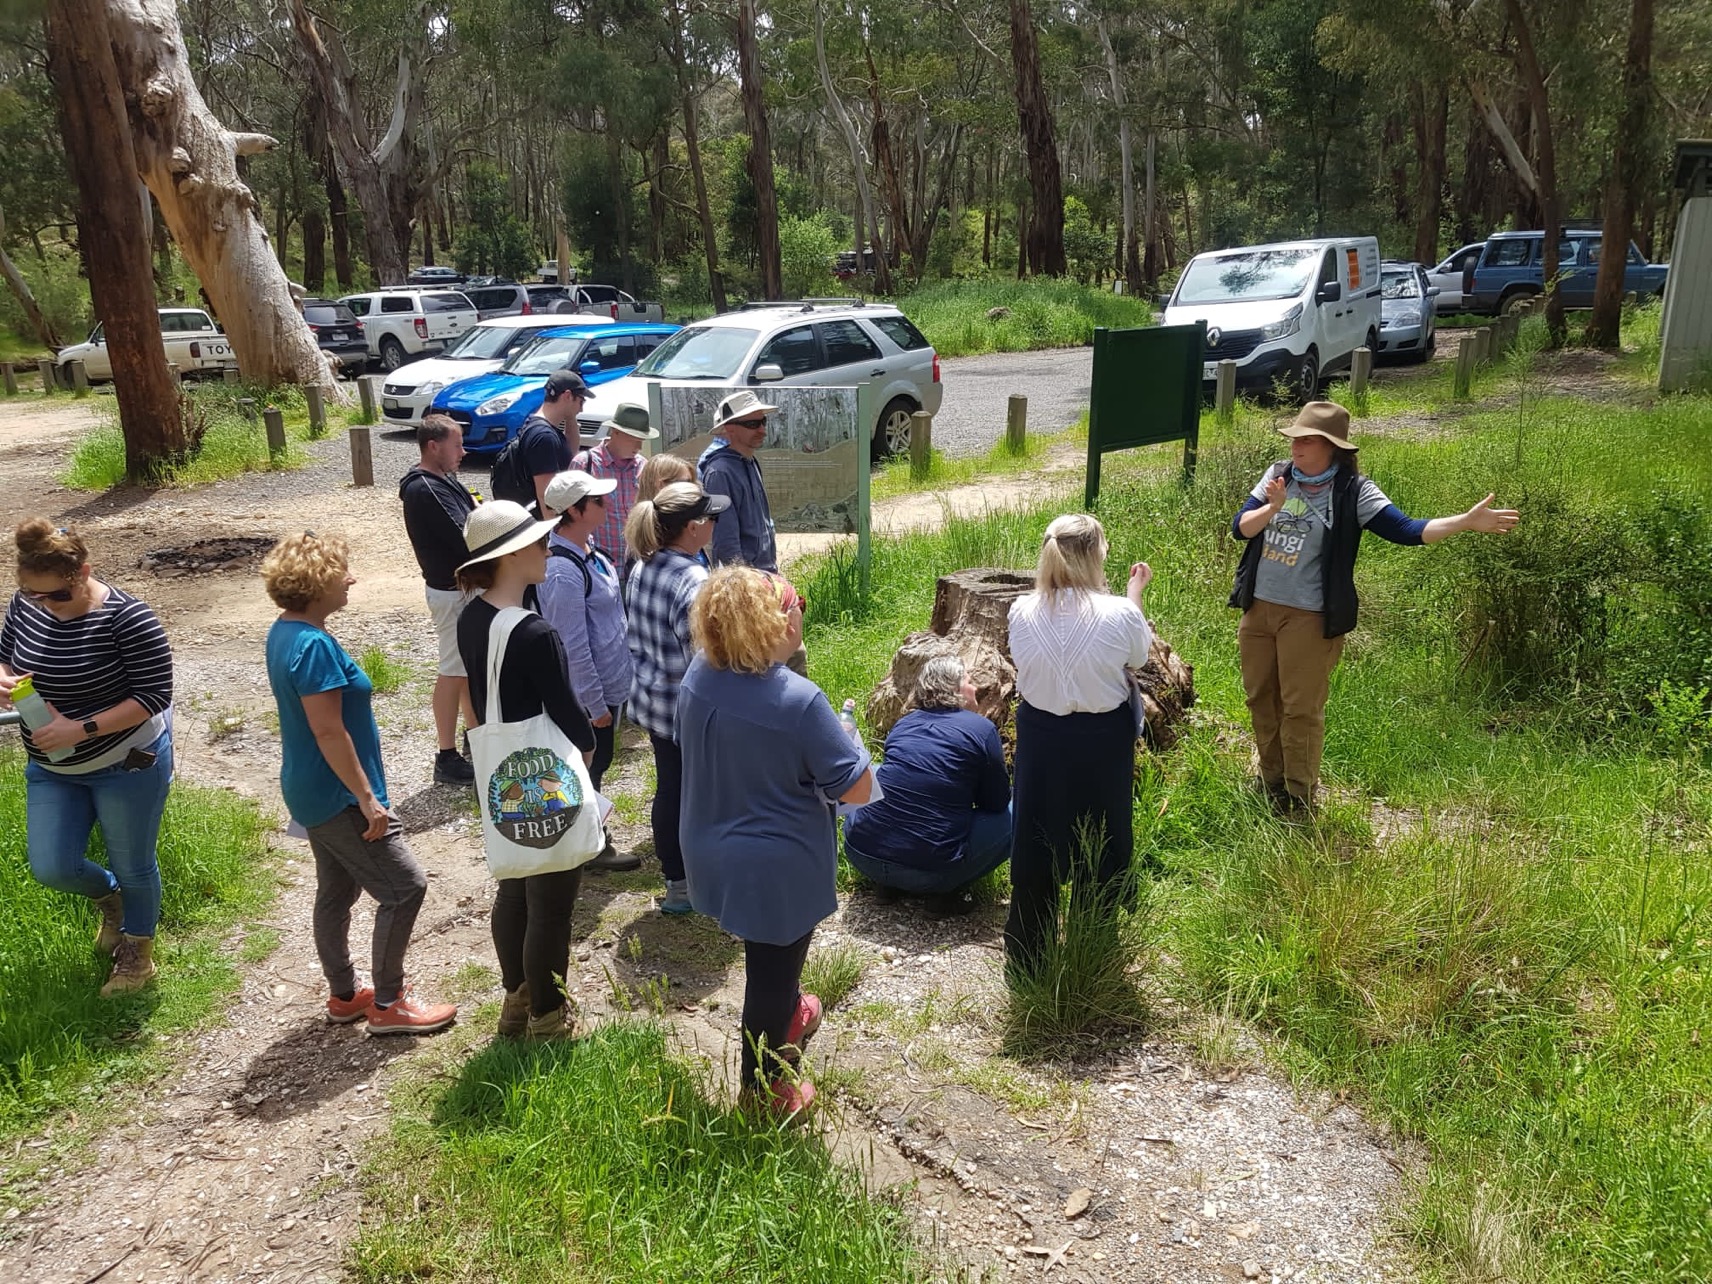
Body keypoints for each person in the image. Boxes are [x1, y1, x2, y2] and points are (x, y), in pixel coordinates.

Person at [1231, 401, 1519, 809]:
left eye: (1308, 439)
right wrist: (1273, 507)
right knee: (1261, 698)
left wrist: (1464, 522)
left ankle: (1298, 797)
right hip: (1258, 609)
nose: (1297, 445)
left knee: (1300, 710)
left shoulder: (1354, 491)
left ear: (1333, 447)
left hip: (1310, 617)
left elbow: (1405, 530)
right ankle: (1270, 781)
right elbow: (1240, 529)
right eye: (1295, 437)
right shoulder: (1277, 476)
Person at [678, 568, 873, 1116]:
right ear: (780, 621)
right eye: (798, 604)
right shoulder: (799, 700)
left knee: (775, 963)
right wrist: (848, 743)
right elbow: (856, 787)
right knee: (769, 972)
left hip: (706, 842)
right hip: (773, 866)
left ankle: (792, 1011)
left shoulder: (699, 672)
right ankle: (764, 1094)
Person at [262, 532, 458, 1034]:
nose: (352, 579)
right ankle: (390, 1004)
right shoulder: (313, 646)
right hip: (338, 793)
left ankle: (344, 995)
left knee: (336, 889)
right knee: (404, 888)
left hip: (307, 789)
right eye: (341, 572)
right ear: (317, 582)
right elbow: (329, 730)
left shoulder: (285, 632)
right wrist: (367, 799)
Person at [0, 519, 174, 997]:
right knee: (51, 866)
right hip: (52, 767)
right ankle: (111, 900)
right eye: (33, 595)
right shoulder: (27, 604)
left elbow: (153, 695)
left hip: (125, 762)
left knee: (135, 863)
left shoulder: (129, 617)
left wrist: (79, 728)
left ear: (83, 572)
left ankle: (138, 956)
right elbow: (5, 656)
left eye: (57, 596)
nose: (45, 607)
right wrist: (4, 680)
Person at [456, 500, 599, 1039]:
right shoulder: (535, 633)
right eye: (540, 542)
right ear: (512, 554)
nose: (547, 549)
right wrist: (586, 751)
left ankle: (515, 998)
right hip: (543, 772)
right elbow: (567, 711)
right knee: (552, 903)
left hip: (500, 773)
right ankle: (548, 1014)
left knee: (514, 885)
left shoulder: (472, 616)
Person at [1005, 514, 1153, 977]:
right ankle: (1095, 938)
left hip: (1041, 734)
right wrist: (1133, 597)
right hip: (1101, 737)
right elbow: (1140, 656)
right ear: (1093, 556)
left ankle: (1028, 950)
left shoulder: (1020, 608)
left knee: (1035, 834)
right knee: (1103, 830)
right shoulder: (1120, 611)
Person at [624, 481, 729, 915]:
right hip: (689, 714)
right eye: (711, 518)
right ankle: (698, 883)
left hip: (653, 703)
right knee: (702, 799)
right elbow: (702, 661)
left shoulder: (642, 565)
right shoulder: (693, 581)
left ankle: (676, 884)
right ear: (692, 528)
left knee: (670, 790)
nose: (715, 525)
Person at [843, 654, 1011, 915]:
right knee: (1016, 810)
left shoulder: (904, 723)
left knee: (877, 773)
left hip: (861, 854)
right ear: (955, 688)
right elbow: (997, 802)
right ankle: (943, 893)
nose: (975, 687)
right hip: (930, 872)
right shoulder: (981, 729)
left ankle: (887, 884)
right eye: (969, 680)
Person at [539, 469, 636, 872]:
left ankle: (584, 843)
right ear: (575, 511)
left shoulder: (588, 551)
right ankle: (589, 848)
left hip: (610, 687)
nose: (607, 504)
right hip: (589, 699)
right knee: (586, 770)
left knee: (595, 766)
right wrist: (594, 706)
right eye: (597, 501)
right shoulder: (562, 571)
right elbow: (572, 648)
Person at [398, 412, 478, 785]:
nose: (463, 451)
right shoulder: (424, 488)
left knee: (464, 671)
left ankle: (473, 737)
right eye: (457, 444)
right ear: (433, 446)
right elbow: (467, 536)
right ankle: (446, 756)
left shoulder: (444, 480)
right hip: (451, 593)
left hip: (460, 589)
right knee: (452, 670)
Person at [698, 389, 778, 572]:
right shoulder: (720, 473)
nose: (762, 430)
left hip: (765, 576)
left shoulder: (751, 462)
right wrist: (744, 589)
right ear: (729, 428)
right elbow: (726, 543)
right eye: (752, 424)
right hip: (746, 583)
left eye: (763, 421)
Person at [490, 369, 589, 513]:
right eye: (581, 401)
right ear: (567, 396)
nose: (582, 408)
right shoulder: (543, 437)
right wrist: (551, 533)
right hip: (541, 521)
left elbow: (571, 456)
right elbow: (546, 496)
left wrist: (571, 416)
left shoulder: (539, 426)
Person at [571, 402, 657, 566]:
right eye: (634, 439)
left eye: (642, 440)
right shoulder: (585, 464)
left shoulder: (643, 467)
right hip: (597, 565)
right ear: (616, 433)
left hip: (637, 566)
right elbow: (569, 518)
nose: (639, 446)